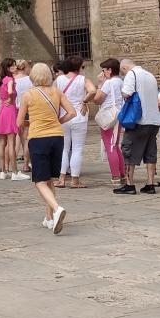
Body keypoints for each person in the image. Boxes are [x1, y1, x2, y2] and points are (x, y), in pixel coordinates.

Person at [16, 62, 74, 233]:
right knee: (49, 179)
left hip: (38, 137)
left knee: (39, 181)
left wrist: (31, 121)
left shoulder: (28, 95)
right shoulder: (57, 92)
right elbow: (72, 112)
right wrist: (57, 122)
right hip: (57, 137)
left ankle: (56, 209)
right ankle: (49, 218)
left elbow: (19, 122)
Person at [115, 58, 160, 195]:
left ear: (124, 68)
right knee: (150, 152)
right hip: (153, 121)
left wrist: (123, 94)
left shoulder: (131, 74)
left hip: (139, 120)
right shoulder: (150, 75)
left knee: (128, 150)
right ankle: (150, 184)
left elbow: (127, 93)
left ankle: (129, 184)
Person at [54, 55, 97, 189]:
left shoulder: (59, 79)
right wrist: (84, 101)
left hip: (63, 116)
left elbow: (53, 95)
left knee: (64, 149)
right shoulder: (83, 79)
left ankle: (61, 179)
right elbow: (93, 91)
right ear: (79, 67)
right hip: (79, 115)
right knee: (77, 149)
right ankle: (75, 180)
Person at [93, 58, 127, 189]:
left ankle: (115, 176)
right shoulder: (120, 81)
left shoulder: (109, 83)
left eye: (104, 70)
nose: (102, 73)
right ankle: (122, 174)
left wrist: (100, 84)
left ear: (110, 70)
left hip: (109, 116)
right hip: (118, 114)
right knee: (115, 145)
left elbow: (97, 99)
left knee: (110, 146)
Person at [0, 59, 22, 180]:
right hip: (10, 110)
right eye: (13, 65)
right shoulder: (10, 80)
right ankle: (14, 171)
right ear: (8, 68)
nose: (15, 67)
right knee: (11, 142)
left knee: (2, 142)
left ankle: (3, 171)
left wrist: (0, 98)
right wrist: (9, 96)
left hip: (2, 111)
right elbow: (10, 90)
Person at [13, 60, 33, 172]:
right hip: (27, 109)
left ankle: (12, 163)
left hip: (14, 110)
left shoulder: (12, 80)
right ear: (25, 67)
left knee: (15, 137)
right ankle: (26, 164)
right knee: (26, 138)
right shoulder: (30, 80)